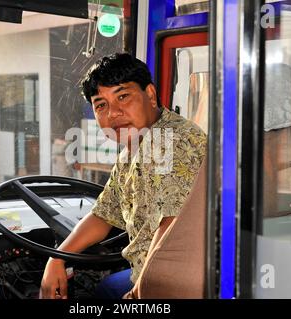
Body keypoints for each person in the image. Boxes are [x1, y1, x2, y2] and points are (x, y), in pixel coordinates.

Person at [40, 53, 207, 299]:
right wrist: (57, 258)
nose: (113, 113)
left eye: (123, 96)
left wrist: (137, 295)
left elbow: (173, 231)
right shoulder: (137, 146)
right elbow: (103, 214)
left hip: (169, 285)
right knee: (106, 288)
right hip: (148, 273)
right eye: (101, 105)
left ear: (150, 95)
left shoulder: (168, 141)